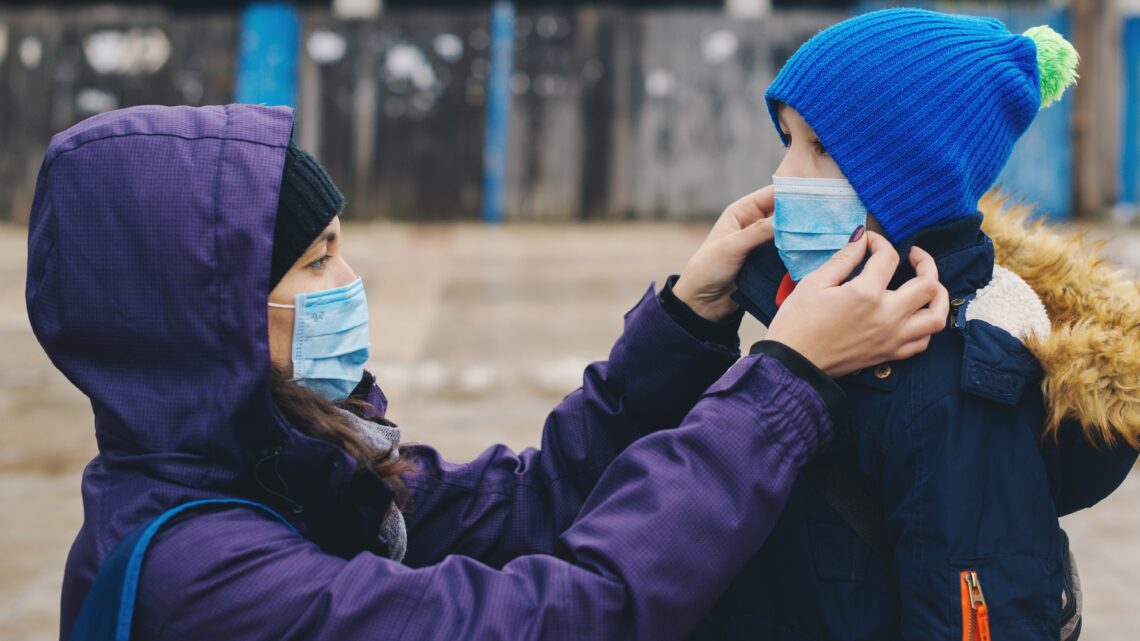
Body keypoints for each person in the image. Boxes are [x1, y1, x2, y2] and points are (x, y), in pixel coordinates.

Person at [30, 104, 948, 641]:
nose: (347, 285)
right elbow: (558, 614)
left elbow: (533, 503)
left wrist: (684, 318)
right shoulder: (203, 574)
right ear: (200, 316)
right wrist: (782, 383)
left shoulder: (287, 464)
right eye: (314, 263)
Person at [711, 9, 1140, 641]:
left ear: (912, 177)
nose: (785, 176)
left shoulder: (954, 392)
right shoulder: (812, 319)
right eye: (788, 141)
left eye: (821, 148)